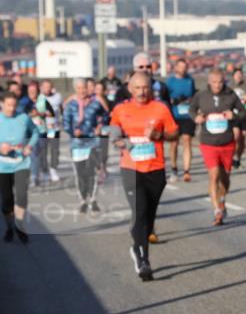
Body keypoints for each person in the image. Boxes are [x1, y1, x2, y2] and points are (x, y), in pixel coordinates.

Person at [109, 72, 179, 281]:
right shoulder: (121, 109)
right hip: (131, 168)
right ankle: (143, 260)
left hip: (155, 168)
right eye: (138, 88)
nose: (142, 92)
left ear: (151, 88)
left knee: (148, 218)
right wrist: (119, 142)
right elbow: (113, 133)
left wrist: (159, 135)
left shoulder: (161, 108)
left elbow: (174, 133)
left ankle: (137, 246)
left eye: (146, 87)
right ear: (130, 89)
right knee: (139, 212)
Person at [187, 68, 246, 226]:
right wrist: (196, 118)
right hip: (208, 142)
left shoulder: (230, 94)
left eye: (220, 82)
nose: (217, 85)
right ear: (209, 82)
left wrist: (234, 116)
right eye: (214, 82)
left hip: (227, 142)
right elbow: (191, 110)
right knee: (213, 176)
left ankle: (222, 199)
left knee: (225, 177)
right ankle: (217, 210)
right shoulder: (201, 96)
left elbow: (243, 112)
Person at [0, 92, 39, 242]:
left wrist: (29, 146)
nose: (11, 108)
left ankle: (19, 225)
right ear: (1, 104)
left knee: (22, 196)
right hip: (1, 166)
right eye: (8, 105)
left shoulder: (23, 118)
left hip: (21, 163)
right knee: (7, 200)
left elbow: (35, 133)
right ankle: (9, 227)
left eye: (14, 105)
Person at [62, 77, 108, 213]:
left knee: (92, 172)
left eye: (84, 88)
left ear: (88, 88)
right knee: (81, 174)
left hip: (93, 142)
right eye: (79, 88)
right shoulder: (71, 105)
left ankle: (93, 200)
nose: (82, 91)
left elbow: (105, 116)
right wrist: (72, 131)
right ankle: (83, 200)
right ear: (75, 89)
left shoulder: (95, 103)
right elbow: (65, 123)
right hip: (77, 144)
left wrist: (100, 126)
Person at [165, 58, 197, 183]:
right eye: (180, 67)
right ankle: (173, 168)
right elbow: (166, 98)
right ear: (176, 68)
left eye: (185, 67)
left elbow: (194, 95)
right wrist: (173, 100)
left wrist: (190, 100)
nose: (183, 69)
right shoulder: (170, 81)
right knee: (174, 143)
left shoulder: (190, 80)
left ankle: (186, 171)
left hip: (187, 115)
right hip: (174, 115)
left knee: (187, 140)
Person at [230, 68, 246, 169]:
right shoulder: (229, 87)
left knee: (243, 137)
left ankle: (238, 158)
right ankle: (232, 157)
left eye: (240, 74)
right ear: (233, 76)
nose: (239, 76)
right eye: (237, 74)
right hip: (234, 115)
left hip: (244, 115)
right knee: (236, 136)